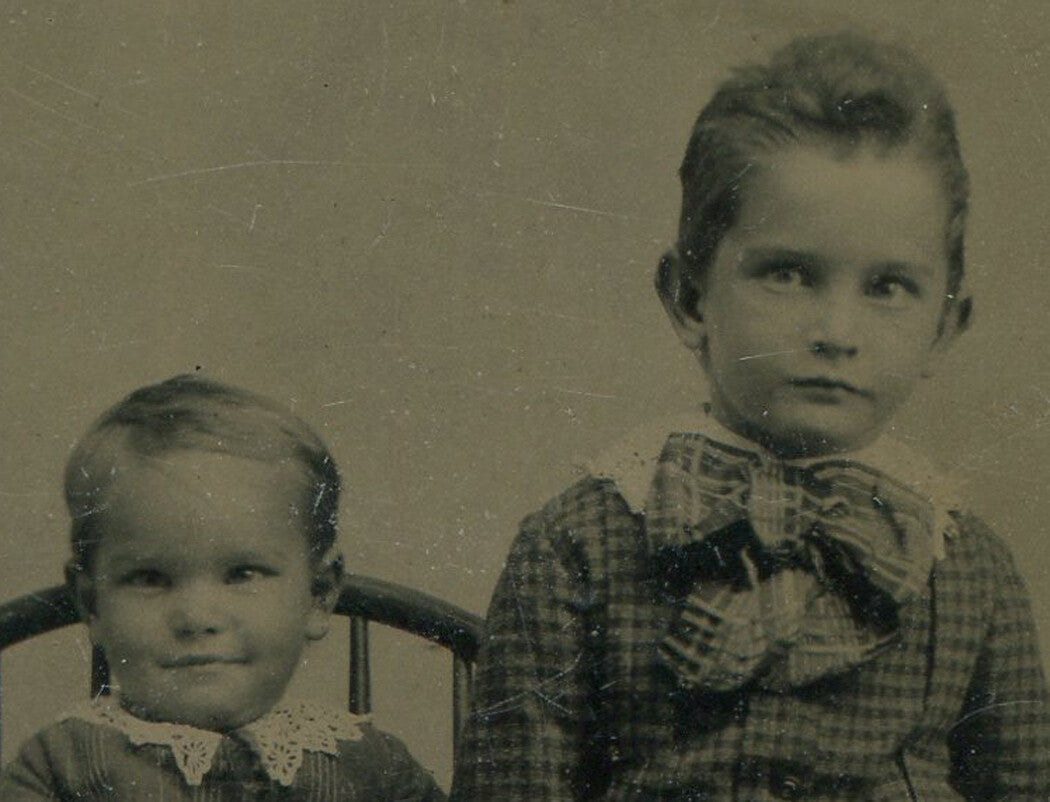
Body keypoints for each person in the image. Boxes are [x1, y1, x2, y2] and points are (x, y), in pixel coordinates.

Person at [451, 32, 1050, 801]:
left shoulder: (966, 566)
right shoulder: (579, 542)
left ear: (944, 325)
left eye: (888, 287)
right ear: (690, 298)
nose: (837, 331)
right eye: (789, 274)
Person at [0, 375, 445, 801]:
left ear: (319, 593)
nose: (197, 617)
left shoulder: (370, 763)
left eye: (242, 574)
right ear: (92, 603)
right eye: (150, 579)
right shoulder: (61, 764)